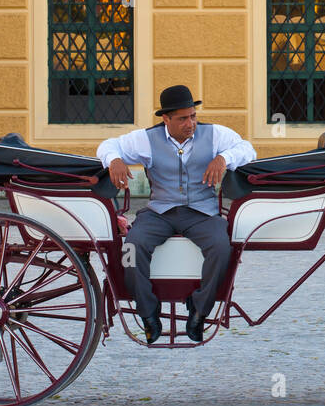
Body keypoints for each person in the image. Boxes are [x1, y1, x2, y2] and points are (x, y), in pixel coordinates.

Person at [96, 85, 255, 342]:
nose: (190, 123)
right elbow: (108, 144)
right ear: (166, 119)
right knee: (130, 249)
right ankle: (148, 313)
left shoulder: (214, 134)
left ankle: (199, 310)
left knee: (222, 247)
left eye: (193, 116)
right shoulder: (147, 139)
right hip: (160, 211)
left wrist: (224, 158)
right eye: (182, 118)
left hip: (202, 212)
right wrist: (113, 160)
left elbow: (247, 148)